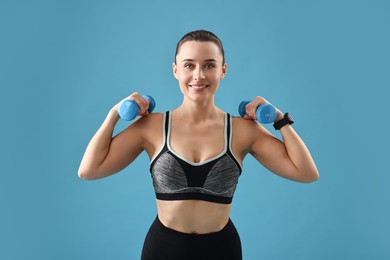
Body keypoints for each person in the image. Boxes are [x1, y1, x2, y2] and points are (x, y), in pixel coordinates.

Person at [78, 29, 319, 260]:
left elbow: (306, 173)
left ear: (223, 70)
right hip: (162, 250)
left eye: (209, 65)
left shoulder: (243, 130)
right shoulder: (151, 126)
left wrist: (280, 119)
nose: (199, 75)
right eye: (189, 65)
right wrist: (114, 114)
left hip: (222, 250)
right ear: (175, 70)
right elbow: (90, 170)